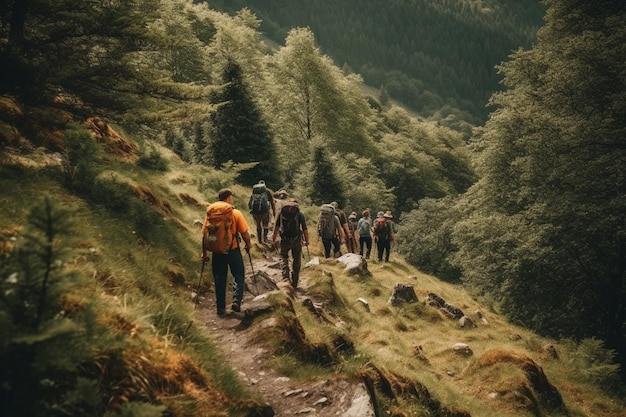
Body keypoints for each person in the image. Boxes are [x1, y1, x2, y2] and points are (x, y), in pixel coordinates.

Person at [202, 188, 252, 316]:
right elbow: (245, 233)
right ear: (229, 198)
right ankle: (236, 301)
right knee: (238, 274)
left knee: (219, 279)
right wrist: (248, 244)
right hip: (233, 250)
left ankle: (220, 308)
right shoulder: (235, 213)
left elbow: (206, 235)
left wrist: (205, 253)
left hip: (217, 251)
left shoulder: (212, 215)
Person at [272, 199, 310, 289]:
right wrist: (307, 240)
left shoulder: (281, 212)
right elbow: (304, 228)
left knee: (284, 257)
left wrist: (274, 239)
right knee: (296, 260)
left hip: (285, 239)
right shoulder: (300, 214)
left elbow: (276, 227)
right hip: (296, 239)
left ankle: (286, 279)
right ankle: (295, 282)